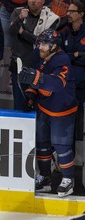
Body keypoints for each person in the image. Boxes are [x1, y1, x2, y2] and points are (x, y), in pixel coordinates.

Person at [18, 28, 78, 197]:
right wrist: (31, 93)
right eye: (40, 43)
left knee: (61, 145)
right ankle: (45, 178)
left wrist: (36, 78)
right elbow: (37, 77)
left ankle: (68, 179)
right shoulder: (41, 56)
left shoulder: (63, 59)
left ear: (54, 46)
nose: (40, 47)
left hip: (62, 109)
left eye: (44, 44)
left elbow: (57, 83)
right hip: (44, 106)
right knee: (42, 143)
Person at [9, 0, 59, 110]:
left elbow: (43, 42)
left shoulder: (50, 18)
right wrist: (20, 19)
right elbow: (11, 32)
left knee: (40, 108)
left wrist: (23, 33)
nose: (33, 1)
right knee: (19, 106)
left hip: (41, 69)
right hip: (19, 67)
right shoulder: (18, 12)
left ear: (43, 1)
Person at [60, 0, 85, 144]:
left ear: (81, 14)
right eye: (68, 11)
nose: (68, 14)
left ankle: (78, 155)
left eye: (72, 12)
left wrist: (74, 56)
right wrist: (76, 55)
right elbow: (61, 57)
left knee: (78, 118)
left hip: (82, 84)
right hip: (67, 83)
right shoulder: (64, 31)